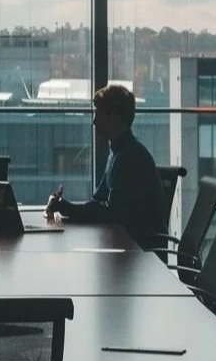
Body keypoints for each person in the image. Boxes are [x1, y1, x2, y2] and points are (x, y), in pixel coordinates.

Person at [46, 84, 166, 250]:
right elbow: (99, 201)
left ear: (114, 116)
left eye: (98, 113)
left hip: (139, 255)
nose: (94, 121)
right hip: (131, 249)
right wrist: (66, 207)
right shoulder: (118, 153)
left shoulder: (128, 158)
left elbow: (112, 213)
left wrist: (67, 208)